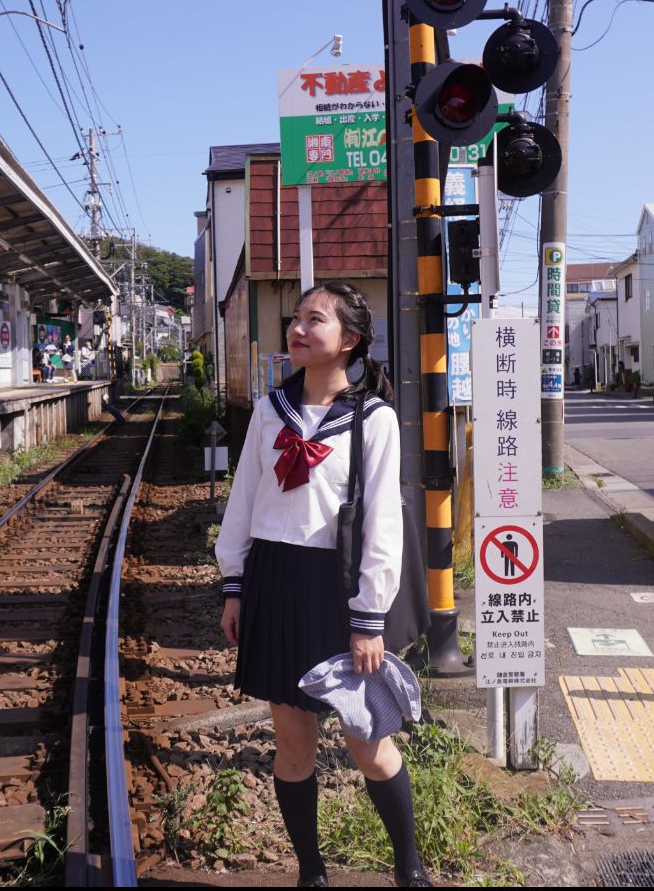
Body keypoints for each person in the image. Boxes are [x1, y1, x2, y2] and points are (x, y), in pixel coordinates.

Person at [216, 281, 429, 889]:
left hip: (337, 589)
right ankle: (312, 873)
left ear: (350, 340)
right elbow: (244, 501)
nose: (299, 329)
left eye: (316, 320)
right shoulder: (268, 410)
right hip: (274, 582)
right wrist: (234, 583)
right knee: (293, 739)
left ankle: (407, 865)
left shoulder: (373, 418)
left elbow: (384, 520)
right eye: (296, 319)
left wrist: (369, 618)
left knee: (368, 738)